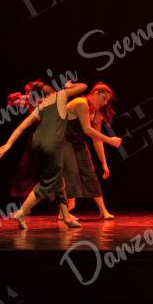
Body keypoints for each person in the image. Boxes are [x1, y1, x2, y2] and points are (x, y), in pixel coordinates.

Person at [0, 79, 88, 228]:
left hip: (37, 144)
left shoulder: (41, 106)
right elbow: (84, 86)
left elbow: (22, 126)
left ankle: (66, 217)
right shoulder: (60, 95)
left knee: (58, 179)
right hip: (52, 144)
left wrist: (8, 144)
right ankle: (21, 212)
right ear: (52, 92)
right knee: (48, 182)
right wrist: (69, 86)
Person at [61, 82, 123, 220]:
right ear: (95, 93)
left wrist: (104, 162)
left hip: (77, 142)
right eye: (103, 98)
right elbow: (87, 130)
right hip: (63, 140)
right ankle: (63, 212)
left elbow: (97, 139)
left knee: (90, 173)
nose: (105, 103)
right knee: (72, 173)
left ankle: (103, 210)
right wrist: (110, 140)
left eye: (107, 101)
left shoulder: (96, 113)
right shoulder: (81, 103)